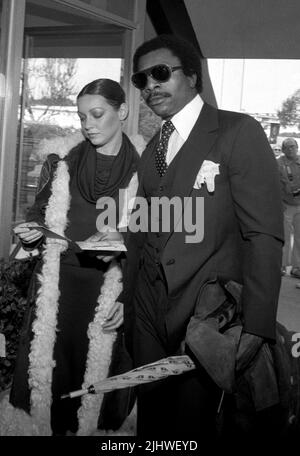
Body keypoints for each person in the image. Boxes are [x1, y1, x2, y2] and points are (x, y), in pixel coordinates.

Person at [122, 34, 284, 439]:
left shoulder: (236, 131)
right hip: (146, 311)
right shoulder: (154, 146)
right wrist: (125, 299)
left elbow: (263, 233)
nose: (150, 86)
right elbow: (144, 227)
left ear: (192, 76)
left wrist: (259, 324)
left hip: (207, 316)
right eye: (141, 79)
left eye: (161, 73)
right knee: (152, 422)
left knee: (190, 428)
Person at [0, 79, 139, 436]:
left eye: (97, 114)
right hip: (58, 289)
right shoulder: (62, 162)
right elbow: (38, 213)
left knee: (97, 390)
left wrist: (129, 295)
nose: (88, 124)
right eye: (82, 117)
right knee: (50, 379)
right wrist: (31, 231)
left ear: (121, 112)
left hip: (109, 289)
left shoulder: (147, 174)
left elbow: (156, 241)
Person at [277, 138, 300, 281]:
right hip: (284, 205)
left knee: (299, 237)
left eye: (293, 146)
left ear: (297, 147)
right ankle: (282, 265)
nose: (291, 149)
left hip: (299, 205)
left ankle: (297, 267)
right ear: (283, 149)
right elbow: (274, 183)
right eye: (287, 147)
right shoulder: (278, 163)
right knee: (283, 237)